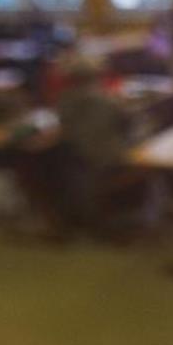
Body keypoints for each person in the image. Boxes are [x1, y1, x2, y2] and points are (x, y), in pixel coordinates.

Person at [55, 57, 134, 231]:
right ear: (97, 76)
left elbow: (64, 129)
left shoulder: (63, 102)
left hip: (83, 160)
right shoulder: (107, 100)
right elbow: (127, 123)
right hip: (113, 160)